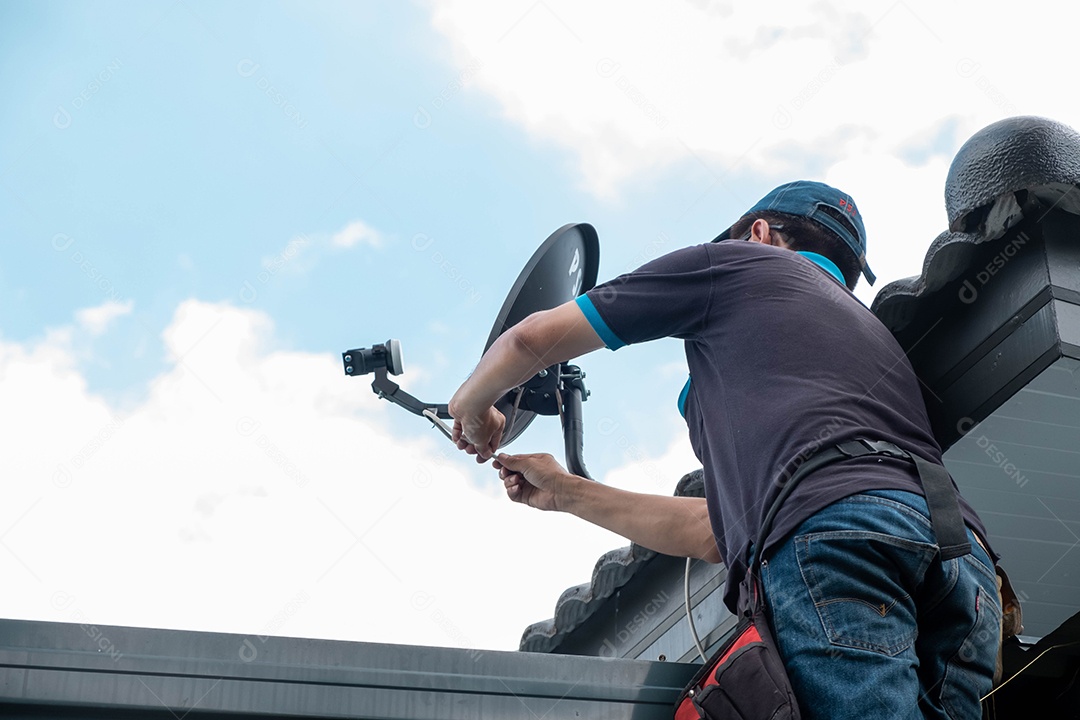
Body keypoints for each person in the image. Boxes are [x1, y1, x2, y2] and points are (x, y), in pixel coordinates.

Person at [448, 181, 1001, 720]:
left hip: (836, 538)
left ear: (759, 232)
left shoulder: (738, 265)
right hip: (966, 563)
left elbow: (530, 339)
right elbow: (717, 533)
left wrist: (472, 406)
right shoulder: (863, 335)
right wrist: (568, 493)